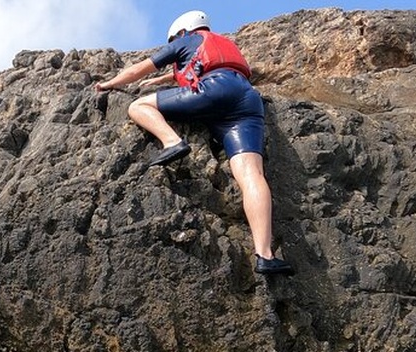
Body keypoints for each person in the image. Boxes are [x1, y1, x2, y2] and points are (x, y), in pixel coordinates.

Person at [94, 10, 294, 275]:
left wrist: (109, 83)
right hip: (246, 99)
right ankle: (265, 255)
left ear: (181, 32)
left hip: (214, 90)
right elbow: (200, 66)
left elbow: (138, 69)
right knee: (251, 175)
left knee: (138, 106)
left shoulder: (186, 39)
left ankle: (172, 142)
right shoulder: (223, 44)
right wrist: (167, 78)